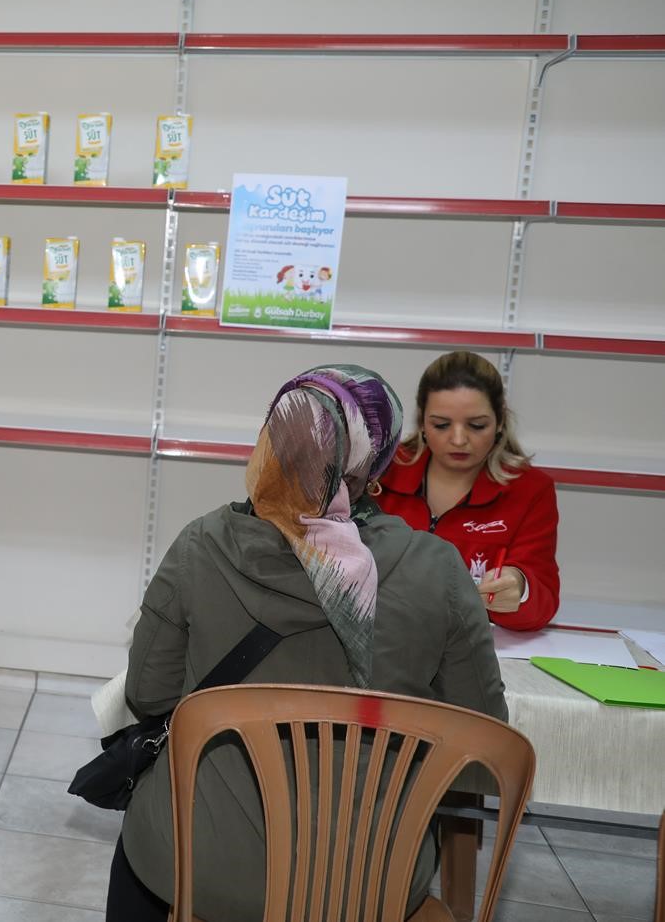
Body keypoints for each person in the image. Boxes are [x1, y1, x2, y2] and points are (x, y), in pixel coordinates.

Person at [111, 365, 506, 922]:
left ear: (272, 444)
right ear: (377, 463)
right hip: (372, 889)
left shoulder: (202, 547)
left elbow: (148, 694)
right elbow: (479, 759)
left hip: (206, 874)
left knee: (141, 841)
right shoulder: (438, 570)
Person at [374, 351, 560, 631]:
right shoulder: (379, 471)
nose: (459, 439)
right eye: (441, 425)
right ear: (422, 423)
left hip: (468, 650)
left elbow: (542, 601)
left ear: (499, 422)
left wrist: (520, 587)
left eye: (476, 425)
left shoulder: (530, 490)